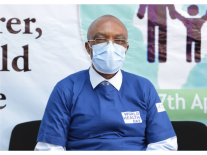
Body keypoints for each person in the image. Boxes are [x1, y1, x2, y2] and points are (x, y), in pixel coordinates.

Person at [34, 15, 177, 151]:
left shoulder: (143, 88)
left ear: (125, 49)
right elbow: (49, 146)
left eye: (119, 40)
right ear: (88, 47)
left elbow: (164, 144)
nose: (110, 46)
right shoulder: (66, 89)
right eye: (101, 39)